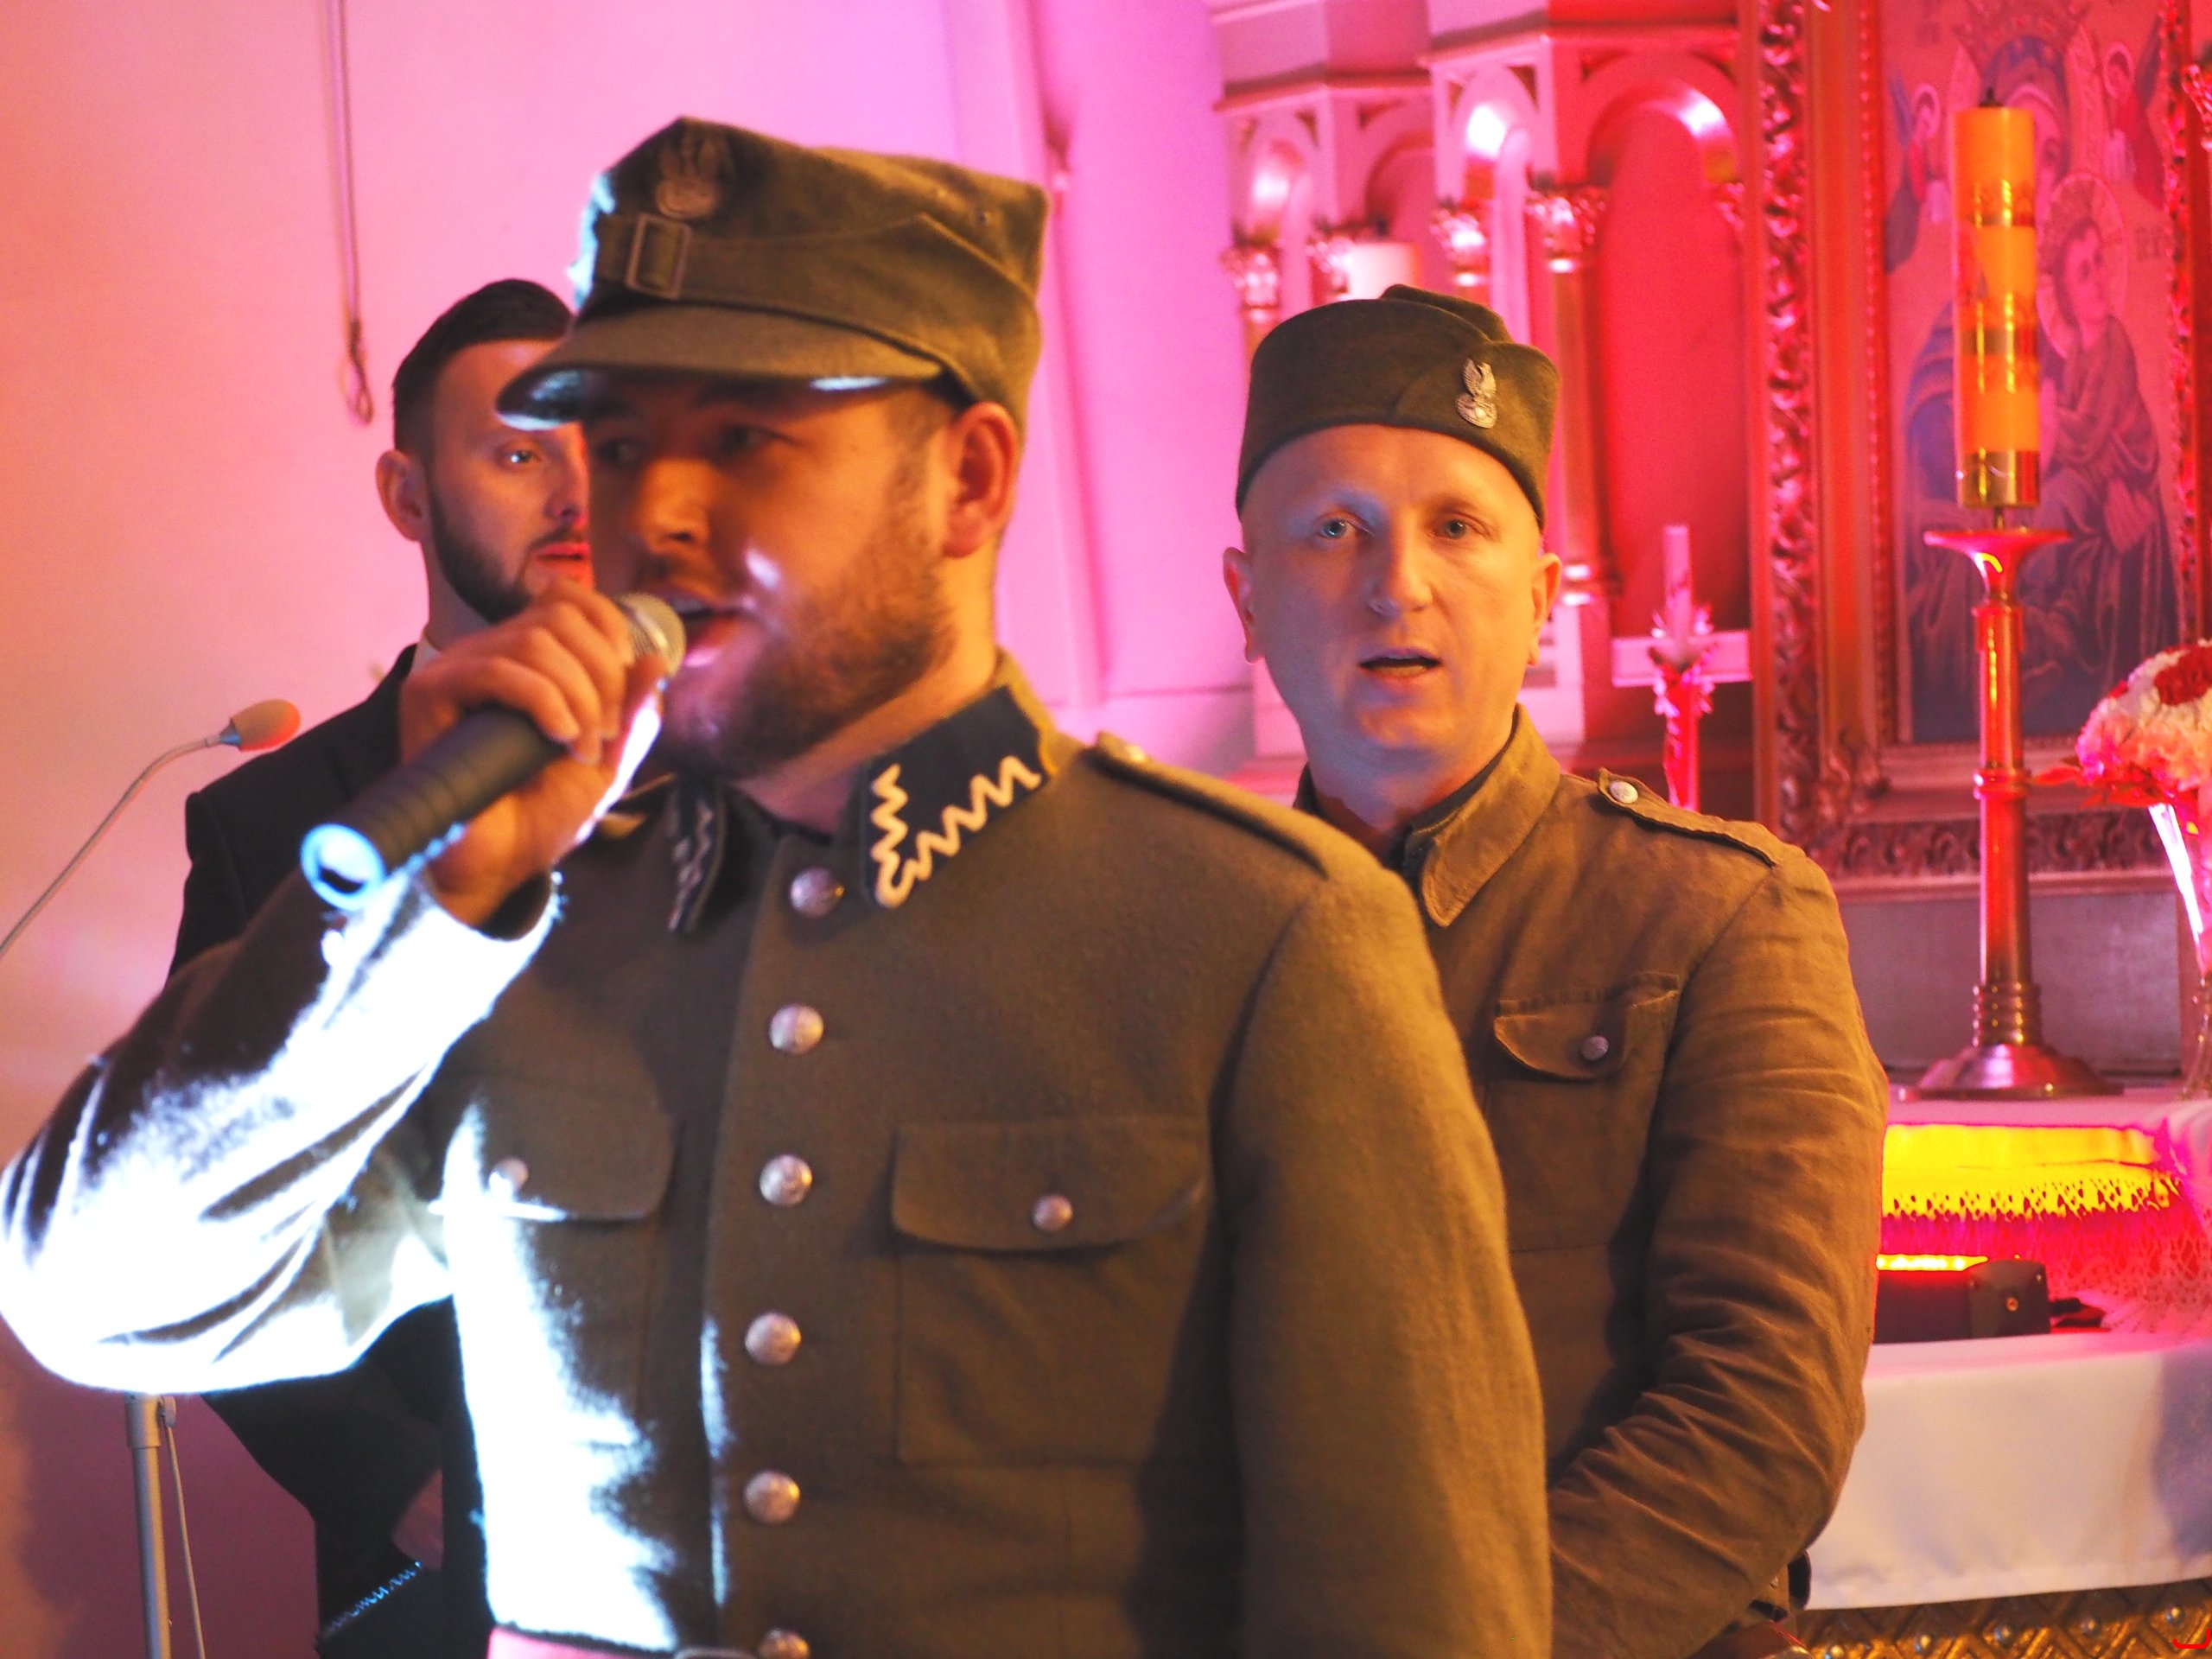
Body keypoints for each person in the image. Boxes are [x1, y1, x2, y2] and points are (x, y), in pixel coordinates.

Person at [0, 122, 1550, 1659]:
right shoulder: (516, 931)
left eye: (745, 439)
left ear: (968, 480)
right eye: (619, 446)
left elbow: (1410, 1614)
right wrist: (413, 920)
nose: (652, 516)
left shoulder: (1257, 938)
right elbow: (91, 1295)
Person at [1222, 285, 1887, 1659]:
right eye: (1332, 529)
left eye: (1456, 527)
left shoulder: (1717, 917)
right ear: (1245, 597)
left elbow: (1763, 1411)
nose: (1396, 584)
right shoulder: (1182, 938)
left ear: (1539, 599)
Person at [168, 276, 582, 1659]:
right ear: (408, 495)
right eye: (518, 452)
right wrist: (404, 1489)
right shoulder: (272, 826)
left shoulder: (735, 778)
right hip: (443, 1582)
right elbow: (202, 1222)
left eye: (603, 446)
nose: (575, 492)